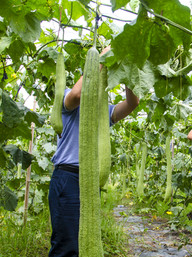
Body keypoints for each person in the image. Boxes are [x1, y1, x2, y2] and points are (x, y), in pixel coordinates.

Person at [49, 46, 139, 257]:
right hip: (68, 177)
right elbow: (78, 93)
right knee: (66, 245)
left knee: (85, 243)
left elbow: (132, 103)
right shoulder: (66, 101)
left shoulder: (104, 111)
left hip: (89, 181)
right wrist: (101, 56)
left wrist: (125, 70)